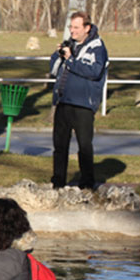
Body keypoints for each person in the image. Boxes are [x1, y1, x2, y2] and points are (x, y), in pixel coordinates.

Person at [50, 11, 109, 190]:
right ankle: (58, 182)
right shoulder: (70, 45)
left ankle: (87, 184)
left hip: (83, 104)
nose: (72, 31)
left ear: (87, 28)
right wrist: (58, 55)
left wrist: (71, 60)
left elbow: (94, 72)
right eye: (70, 27)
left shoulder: (97, 47)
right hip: (63, 102)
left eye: (76, 27)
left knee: (84, 146)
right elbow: (53, 71)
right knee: (60, 146)